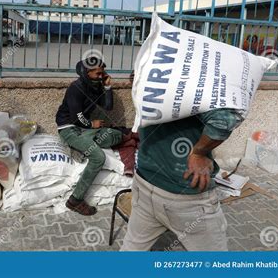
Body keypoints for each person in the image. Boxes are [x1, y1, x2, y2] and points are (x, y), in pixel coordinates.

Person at [120, 108, 243, 251]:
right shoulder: (201, 87)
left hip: (145, 182)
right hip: (184, 195)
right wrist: (198, 152)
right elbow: (225, 120)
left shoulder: (144, 85)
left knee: (131, 249)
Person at [55, 57, 123, 216]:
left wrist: (107, 87)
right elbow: (76, 116)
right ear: (87, 72)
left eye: (103, 73)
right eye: (98, 73)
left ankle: (81, 146)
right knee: (98, 157)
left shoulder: (95, 86)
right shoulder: (76, 88)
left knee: (116, 135)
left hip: (83, 129)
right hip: (69, 128)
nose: (101, 76)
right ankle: (75, 200)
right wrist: (92, 125)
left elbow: (108, 106)